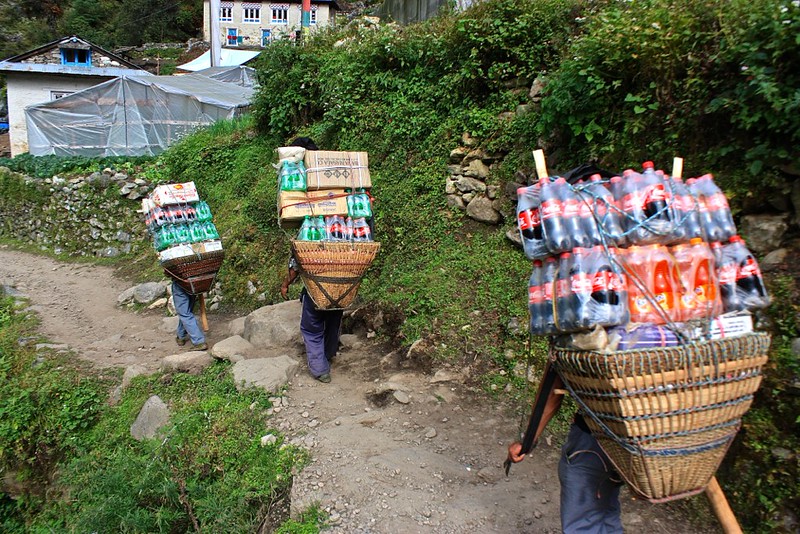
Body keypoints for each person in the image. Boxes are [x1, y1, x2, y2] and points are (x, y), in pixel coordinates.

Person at [507, 371, 623, 533]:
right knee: (607, 512)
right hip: (637, 443)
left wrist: (529, 441)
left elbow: (553, 386)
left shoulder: (575, 345)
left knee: (582, 523)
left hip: (592, 441)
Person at [279, 136, 342, 384]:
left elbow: (299, 256)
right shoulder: (342, 198)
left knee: (311, 325)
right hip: (346, 273)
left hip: (317, 275)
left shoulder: (308, 206)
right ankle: (328, 354)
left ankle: (320, 368)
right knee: (334, 314)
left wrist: (287, 282)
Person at [172, 280, 208, 351]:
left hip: (180, 282)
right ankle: (180, 336)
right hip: (194, 283)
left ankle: (199, 342)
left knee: (184, 313)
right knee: (187, 311)